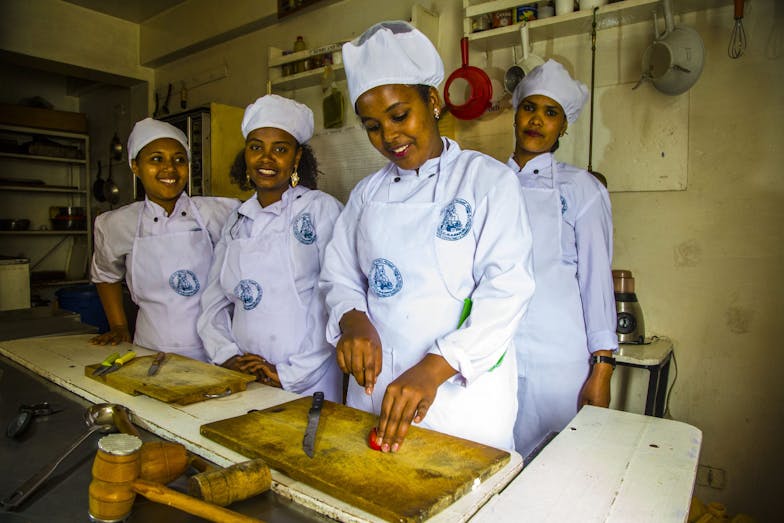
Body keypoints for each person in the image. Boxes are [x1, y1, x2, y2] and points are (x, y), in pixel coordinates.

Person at [319, 21, 535, 452]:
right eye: (372, 126)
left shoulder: (487, 181)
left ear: (433, 101)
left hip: (461, 400)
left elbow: (507, 291)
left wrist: (435, 368)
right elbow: (338, 276)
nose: (389, 136)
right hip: (376, 393)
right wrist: (353, 319)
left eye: (399, 115)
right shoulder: (366, 195)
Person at [506, 59, 619, 458]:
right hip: (495, 357)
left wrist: (602, 368)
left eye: (550, 112)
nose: (537, 120)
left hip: (557, 362)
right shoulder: (487, 181)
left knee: (555, 467)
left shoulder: (582, 188)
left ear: (563, 126)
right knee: (493, 464)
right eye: (529, 107)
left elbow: (596, 282)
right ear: (516, 113)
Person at [197, 94, 343, 402]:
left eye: (280, 149)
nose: (266, 158)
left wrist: (289, 373)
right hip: (246, 376)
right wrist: (228, 356)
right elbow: (213, 301)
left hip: (308, 377)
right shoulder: (237, 220)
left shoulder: (320, 210)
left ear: (297, 157)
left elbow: (335, 300)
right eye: (256, 147)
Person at [90, 118, 239, 361]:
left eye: (179, 160)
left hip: (216, 354)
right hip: (149, 350)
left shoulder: (220, 212)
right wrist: (118, 325)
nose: (169, 168)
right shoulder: (117, 224)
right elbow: (105, 275)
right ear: (135, 166)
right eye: (156, 159)